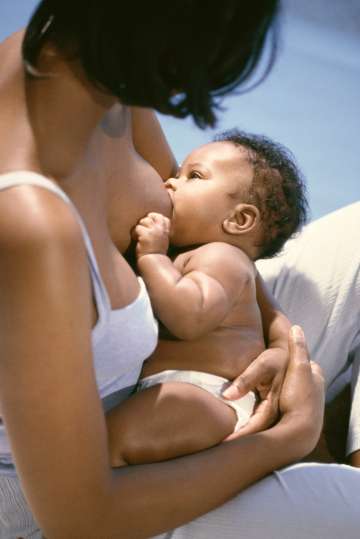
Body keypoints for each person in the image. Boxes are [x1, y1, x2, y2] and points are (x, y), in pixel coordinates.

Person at [0, 1, 359, 539]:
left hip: (189, 373)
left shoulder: (97, 70)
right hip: (89, 499)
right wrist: (287, 438)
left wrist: (282, 334)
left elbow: (214, 231)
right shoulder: (32, 222)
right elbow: (83, 518)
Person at [106, 129, 308, 465]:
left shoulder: (222, 258)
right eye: (177, 173)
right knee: (115, 438)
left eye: (194, 176)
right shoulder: (198, 255)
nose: (170, 183)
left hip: (208, 396)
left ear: (239, 219)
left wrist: (153, 258)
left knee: (111, 439)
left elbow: (191, 317)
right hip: (179, 393)